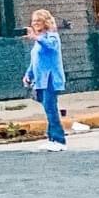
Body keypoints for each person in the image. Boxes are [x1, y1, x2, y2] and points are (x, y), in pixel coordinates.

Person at [23, 9, 67, 151]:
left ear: (45, 22)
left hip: (50, 78)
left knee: (51, 108)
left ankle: (59, 140)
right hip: (40, 79)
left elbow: (50, 46)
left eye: (38, 21)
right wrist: (28, 74)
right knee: (49, 109)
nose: (35, 23)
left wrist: (36, 38)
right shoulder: (39, 40)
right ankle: (52, 138)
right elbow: (35, 61)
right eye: (33, 21)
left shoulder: (52, 37)